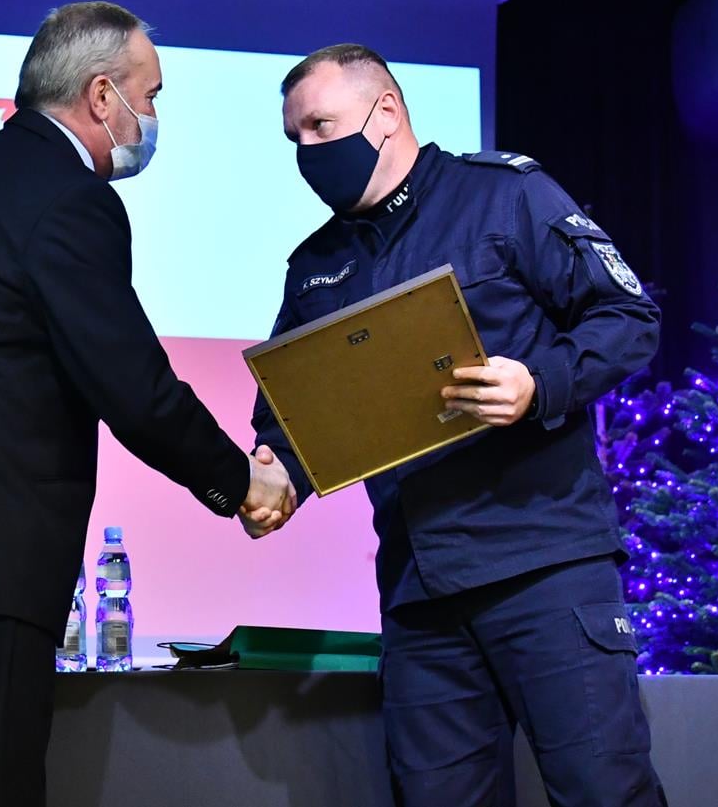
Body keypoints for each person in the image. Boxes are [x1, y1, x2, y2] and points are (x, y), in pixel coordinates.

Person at [0, 0, 293, 807]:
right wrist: (239, 481)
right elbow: (132, 385)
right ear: (102, 95)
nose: (154, 115)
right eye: (151, 95)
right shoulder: (72, 198)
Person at [253, 44, 666, 806]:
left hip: (544, 565)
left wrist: (538, 383)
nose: (306, 151)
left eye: (320, 126)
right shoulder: (313, 266)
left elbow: (628, 316)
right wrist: (275, 473)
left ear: (386, 112)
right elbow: (290, 419)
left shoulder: (505, 196)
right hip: (421, 595)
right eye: (294, 137)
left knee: (604, 791)